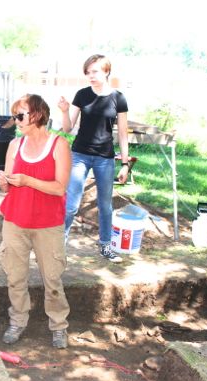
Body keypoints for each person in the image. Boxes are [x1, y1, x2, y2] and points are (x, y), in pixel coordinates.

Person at [0, 94, 71, 349]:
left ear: (37, 115)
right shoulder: (15, 146)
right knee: (15, 276)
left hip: (48, 224)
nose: (16, 121)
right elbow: (8, 186)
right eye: (14, 116)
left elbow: (60, 188)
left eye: (20, 115)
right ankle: (17, 320)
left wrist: (28, 181)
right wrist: (4, 182)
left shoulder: (58, 145)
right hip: (15, 220)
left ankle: (59, 326)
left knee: (52, 278)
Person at [58, 54, 130, 263]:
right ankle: (58, 247)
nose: (91, 75)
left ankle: (106, 246)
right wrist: (64, 111)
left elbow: (123, 134)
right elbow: (68, 128)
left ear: (106, 71)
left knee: (105, 205)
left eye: (95, 71)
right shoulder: (82, 95)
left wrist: (124, 164)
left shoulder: (118, 98)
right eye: (88, 72)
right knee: (71, 205)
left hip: (105, 158)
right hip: (80, 155)